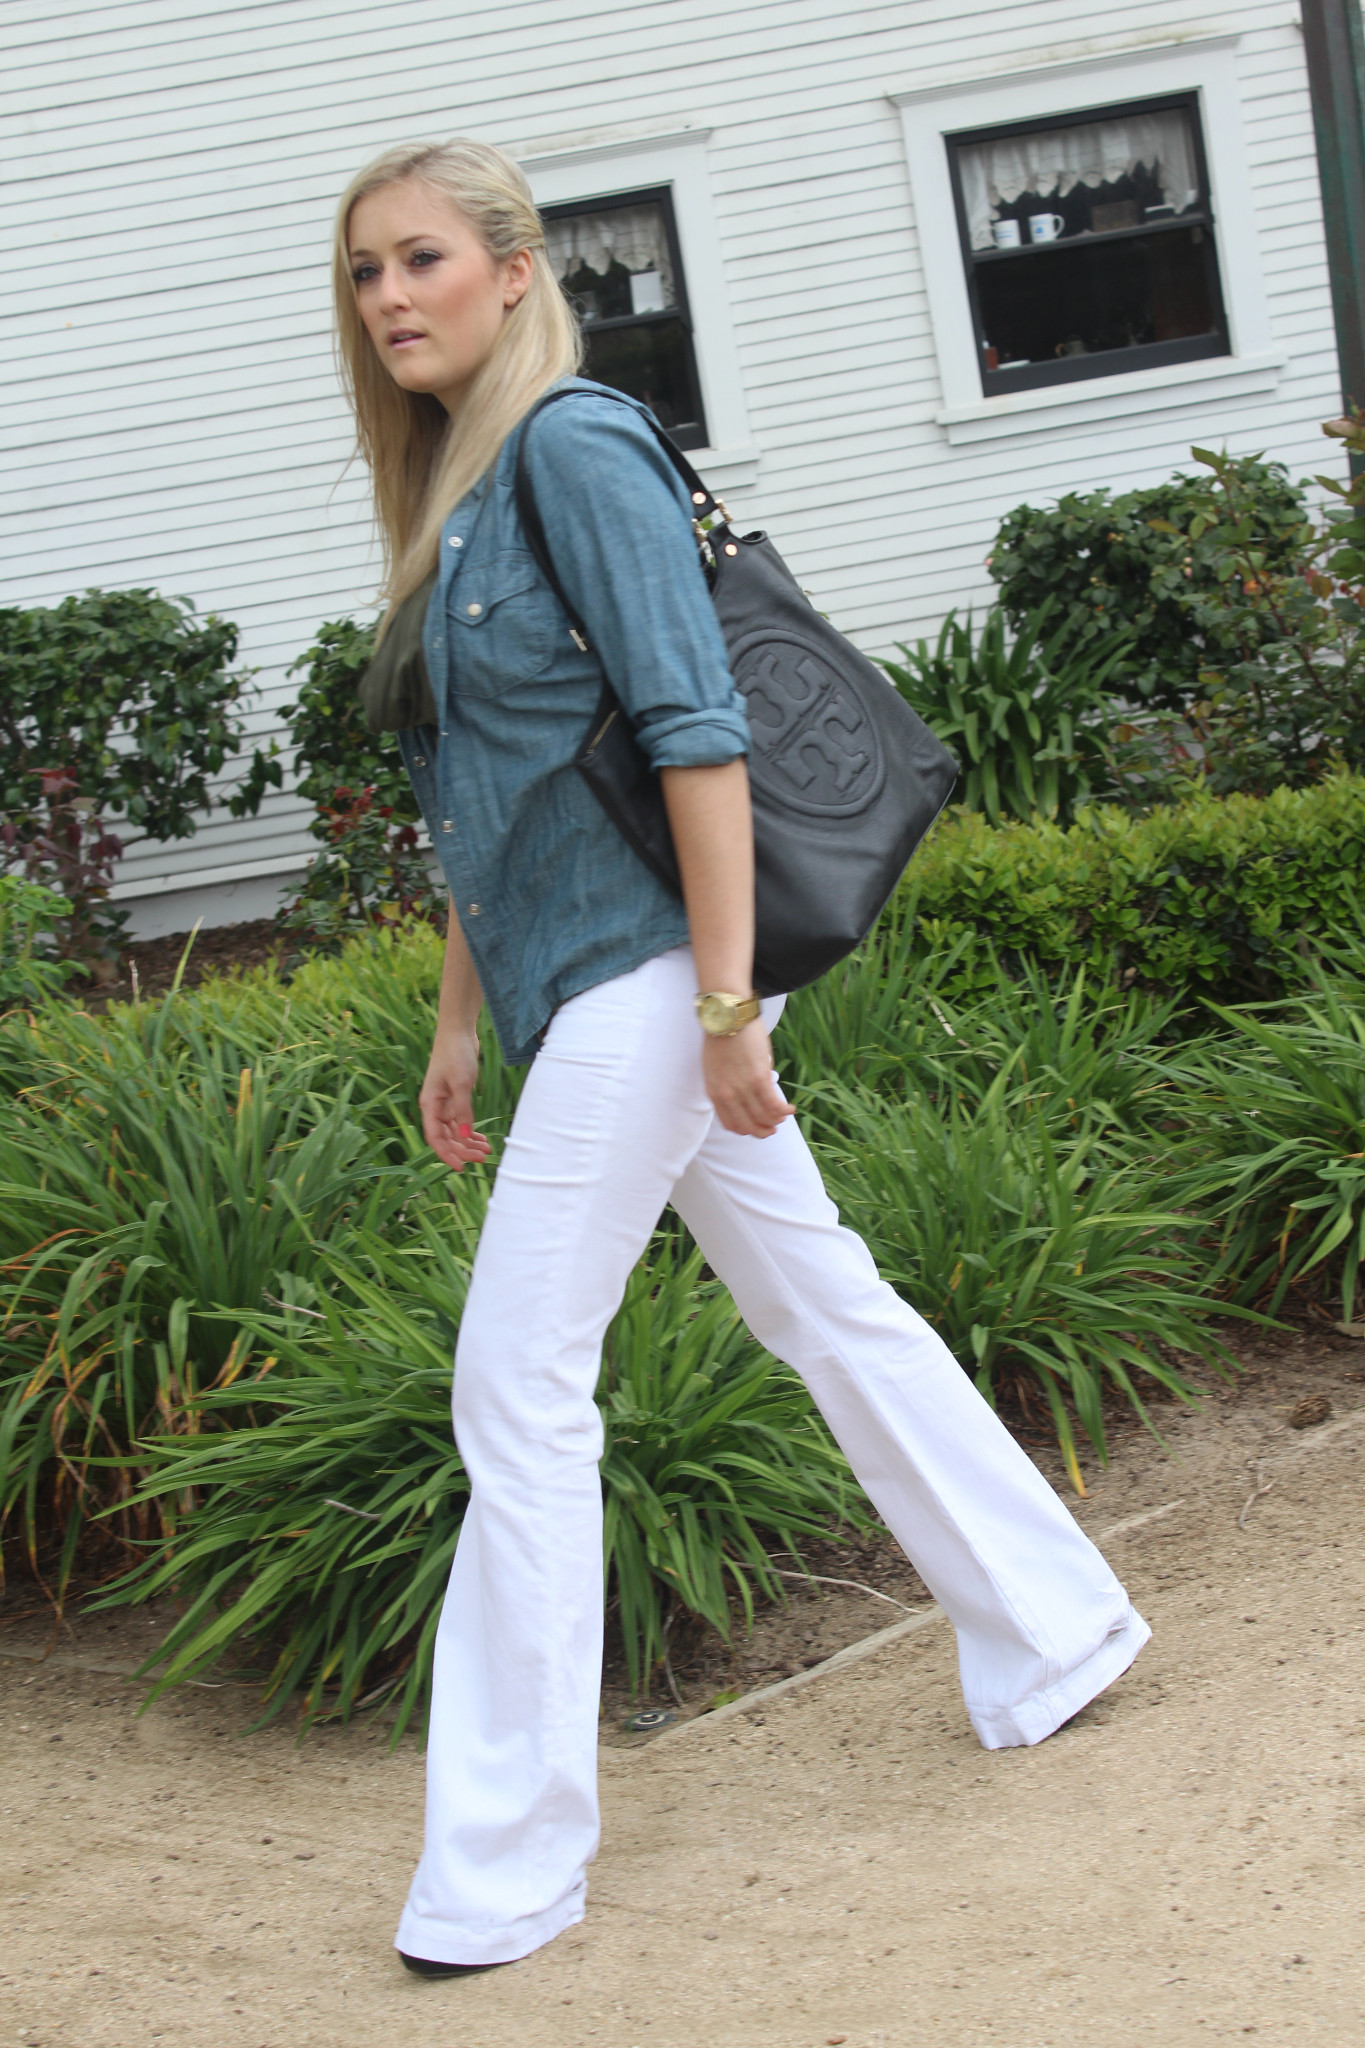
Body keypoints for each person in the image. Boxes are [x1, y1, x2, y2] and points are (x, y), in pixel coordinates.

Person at [332, 137, 1150, 1979]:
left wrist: (722, 1005)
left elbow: (695, 732)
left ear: (516, 269)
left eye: (421, 259)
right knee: (821, 1299)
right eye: (365, 271)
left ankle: (501, 1866)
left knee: (515, 1381)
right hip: (590, 981)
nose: (388, 296)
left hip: (656, 976)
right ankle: (1055, 1626)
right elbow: (496, 795)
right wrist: (459, 1019)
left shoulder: (574, 446)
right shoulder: (456, 486)